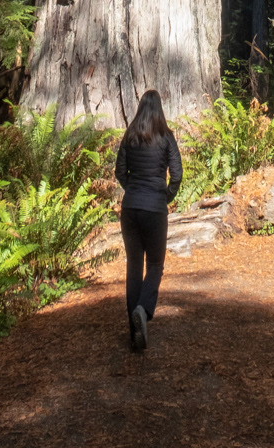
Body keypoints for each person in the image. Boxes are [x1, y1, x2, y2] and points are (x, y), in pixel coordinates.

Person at [114, 88, 182, 351]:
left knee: (134, 266)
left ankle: (134, 332)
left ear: (141, 108)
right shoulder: (166, 137)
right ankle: (143, 310)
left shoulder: (130, 136)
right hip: (154, 209)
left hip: (130, 208)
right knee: (155, 265)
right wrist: (164, 197)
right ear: (160, 109)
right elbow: (176, 174)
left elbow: (120, 171)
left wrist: (133, 189)